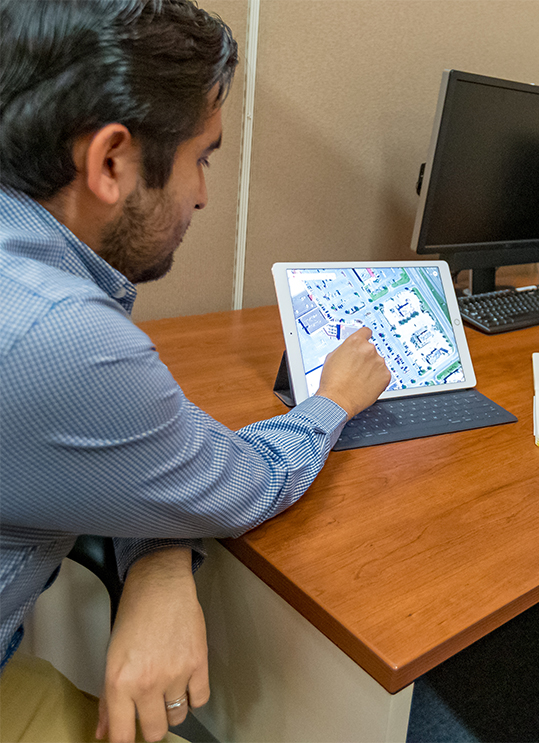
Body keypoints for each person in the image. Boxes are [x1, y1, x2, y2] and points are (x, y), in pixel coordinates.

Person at [0, 1, 391, 741]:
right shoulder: (63, 336)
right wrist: (335, 397)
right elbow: (242, 482)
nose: (205, 193)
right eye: (202, 157)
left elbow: (126, 449)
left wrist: (158, 556)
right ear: (112, 160)